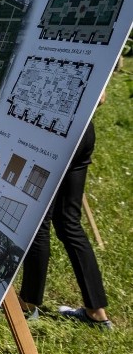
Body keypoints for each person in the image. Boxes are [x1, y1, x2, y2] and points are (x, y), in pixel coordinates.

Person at [19, 115, 113, 330]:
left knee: (38, 219)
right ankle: (96, 313)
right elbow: (101, 98)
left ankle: (28, 303)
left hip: (54, 132)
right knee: (69, 223)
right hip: (83, 130)